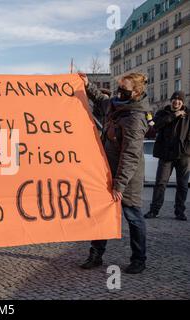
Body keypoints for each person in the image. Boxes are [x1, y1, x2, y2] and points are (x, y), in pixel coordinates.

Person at [78, 72, 150, 274]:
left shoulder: (135, 118)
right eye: (118, 87)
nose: (119, 92)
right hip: (108, 173)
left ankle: (139, 259)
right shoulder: (117, 105)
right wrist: (87, 84)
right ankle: (96, 254)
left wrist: (119, 184)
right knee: (102, 216)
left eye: (123, 89)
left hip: (127, 179)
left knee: (133, 217)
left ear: (135, 92)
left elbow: (130, 155)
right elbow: (101, 100)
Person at [144, 91, 189, 221]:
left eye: (179, 100)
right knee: (160, 183)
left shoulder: (188, 114)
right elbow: (155, 126)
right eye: (174, 99)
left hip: (183, 155)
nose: (176, 102)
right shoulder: (162, 113)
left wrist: (186, 149)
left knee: (183, 185)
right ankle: (154, 210)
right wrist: (174, 115)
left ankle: (179, 212)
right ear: (171, 101)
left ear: (182, 102)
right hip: (166, 154)